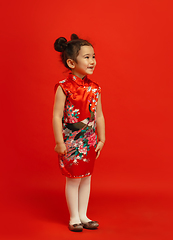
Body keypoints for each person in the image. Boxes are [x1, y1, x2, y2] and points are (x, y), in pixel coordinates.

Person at [52, 34, 105, 232]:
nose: (92, 61)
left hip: (89, 141)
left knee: (87, 177)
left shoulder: (95, 88)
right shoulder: (63, 88)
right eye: (87, 57)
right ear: (71, 62)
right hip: (72, 141)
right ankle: (74, 217)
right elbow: (57, 116)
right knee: (73, 179)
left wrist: (102, 138)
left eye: (93, 56)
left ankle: (84, 215)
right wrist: (60, 142)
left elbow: (99, 116)